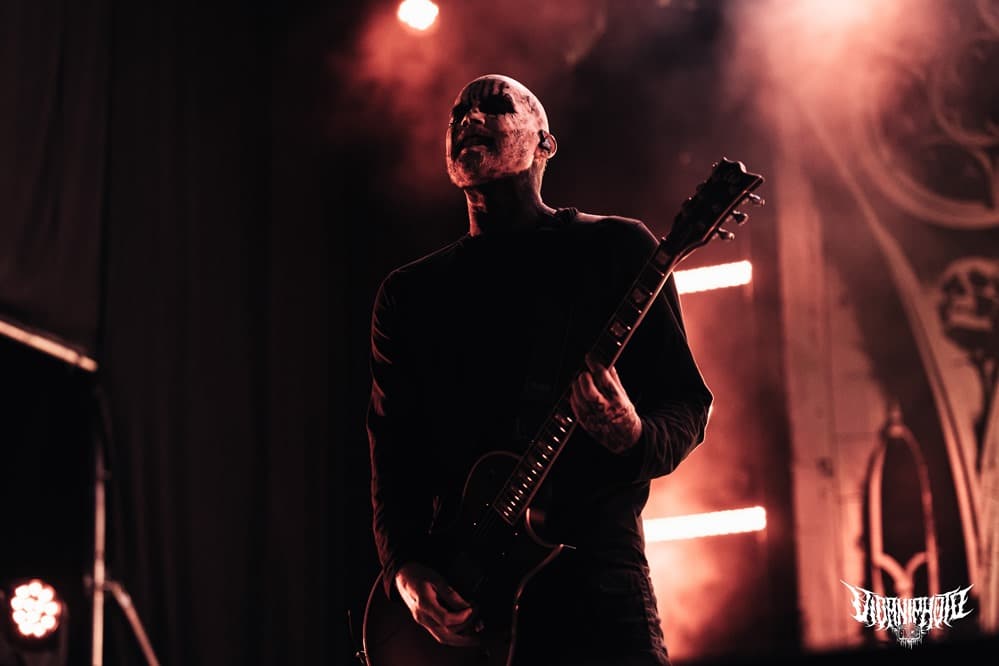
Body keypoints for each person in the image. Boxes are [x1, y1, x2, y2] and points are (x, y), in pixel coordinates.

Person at [367, 73, 713, 666]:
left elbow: (687, 403)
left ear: (544, 144)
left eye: (495, 105)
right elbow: (392, 453)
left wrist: (633, 436)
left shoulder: (617, 249)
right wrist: (404, 568)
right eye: (458, 113)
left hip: (597, 585)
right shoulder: (410, 295)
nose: (469, 119)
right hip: (468, 602)